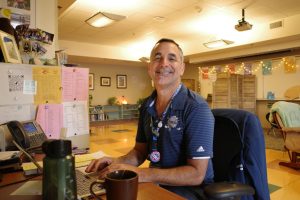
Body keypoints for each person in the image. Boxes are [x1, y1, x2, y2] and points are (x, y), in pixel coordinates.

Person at [86, 38, 215, 199]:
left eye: (172, 58)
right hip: (155, 182)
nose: (163, 64)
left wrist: (142, 174)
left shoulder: (196, 108)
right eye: (157, 58)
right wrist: (116, 162)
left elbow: (196, 174)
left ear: (182, 68)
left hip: (191, 191)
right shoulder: (147, 106)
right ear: (149, 68)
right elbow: (140, 152)